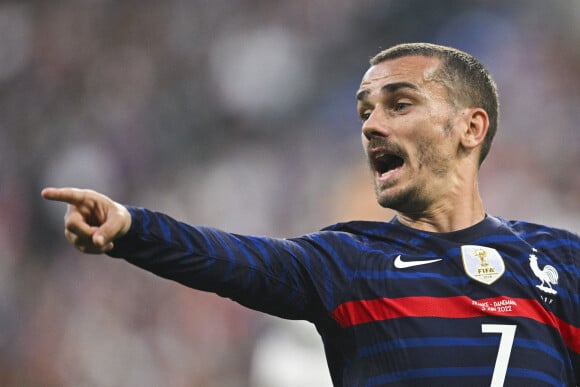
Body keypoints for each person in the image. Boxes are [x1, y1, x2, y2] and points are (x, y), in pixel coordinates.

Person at [42, 43, 579, 387]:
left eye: (399, 104)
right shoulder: (348, 264)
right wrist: (133, 228)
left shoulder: (561, 262)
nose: (370, 125)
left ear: (471, 128)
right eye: (365, 111)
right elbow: (234, 260)